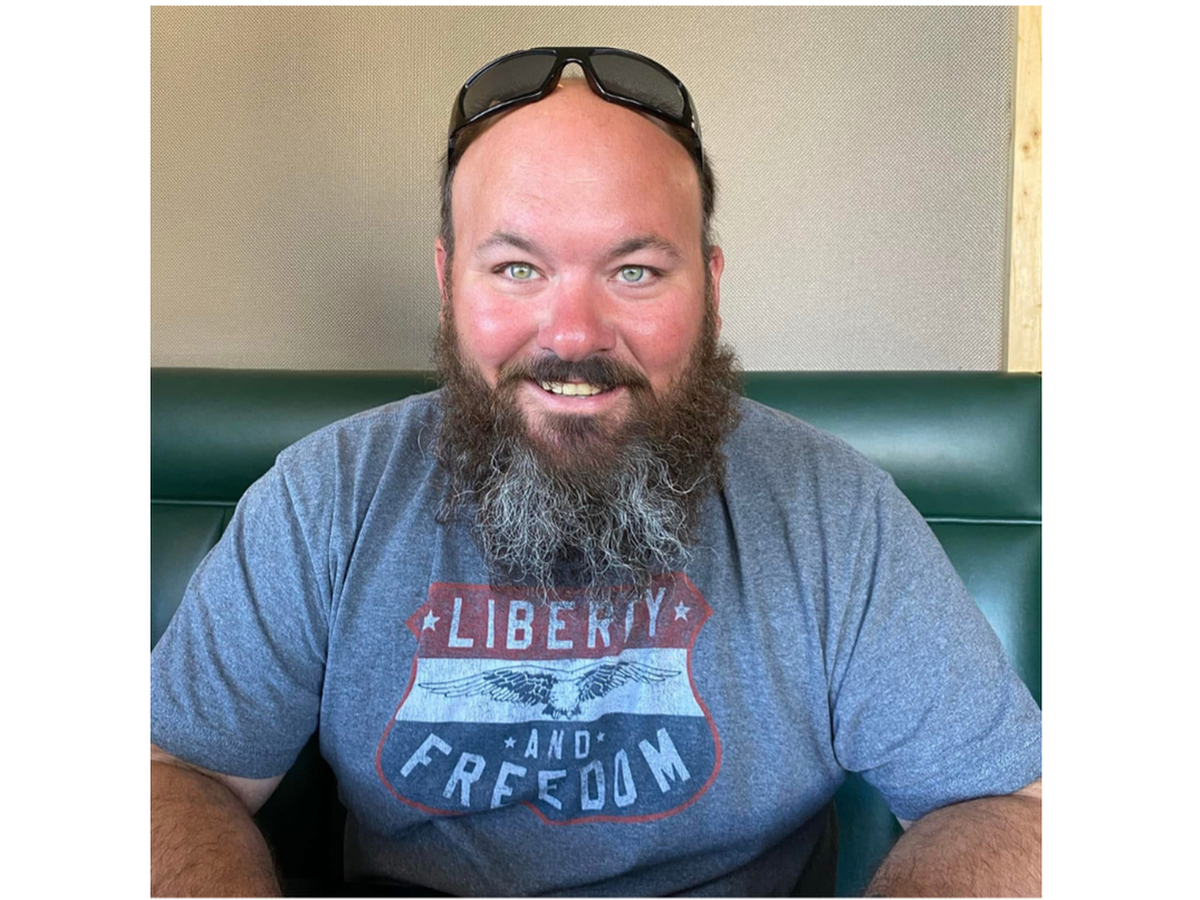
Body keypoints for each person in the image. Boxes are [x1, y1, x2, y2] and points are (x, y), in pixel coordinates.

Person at [151, 48, 1041, 896]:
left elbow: (1012, 807)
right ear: (448, 282)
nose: (573, 334)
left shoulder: (835, 514)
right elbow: (174, 774)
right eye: (517, 267)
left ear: (711, 289)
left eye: (636, 271)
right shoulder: (326, 497)